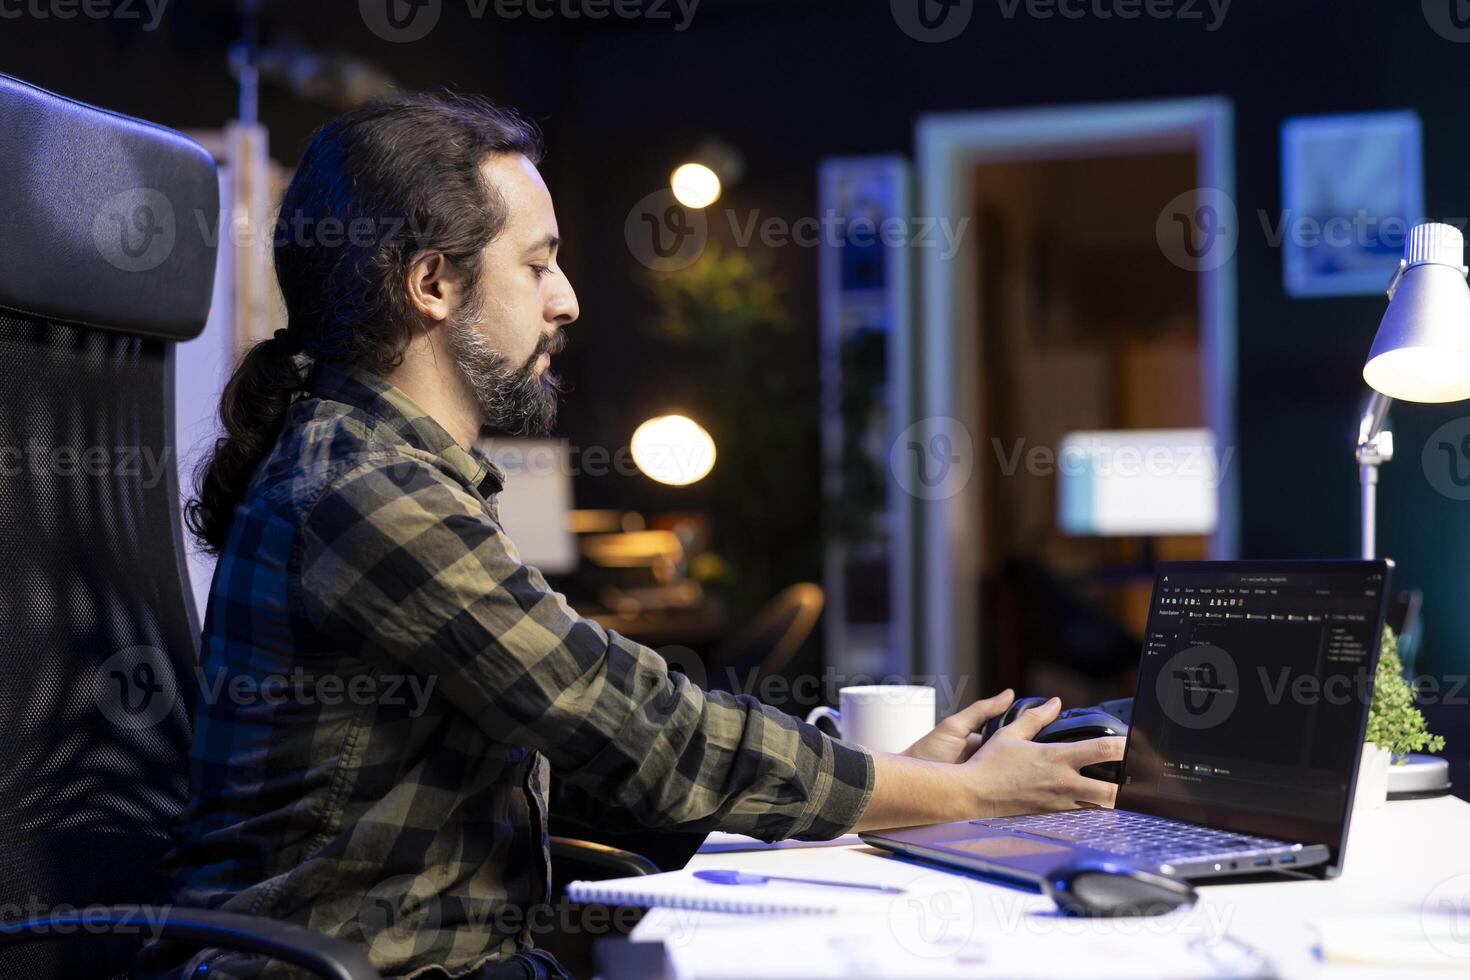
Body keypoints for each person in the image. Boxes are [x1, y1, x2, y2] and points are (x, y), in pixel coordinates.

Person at [138, 92, 1123, 980]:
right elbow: (635, 722)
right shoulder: (363, 490)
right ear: (432, 284)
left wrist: (906, 784)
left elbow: (596, 740)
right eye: (537, 264)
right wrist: (954, 797)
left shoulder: (387, 471)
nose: (567, 298)